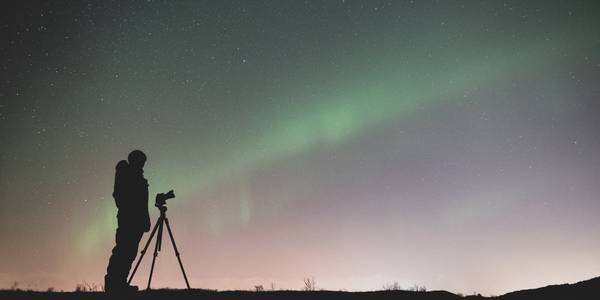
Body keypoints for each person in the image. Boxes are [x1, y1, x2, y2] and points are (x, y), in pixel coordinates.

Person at [104, 150, 150, 293]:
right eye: (141, 161)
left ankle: (120, 283)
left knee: (129, 252)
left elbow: (142, 202)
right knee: (123, 251)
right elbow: (121, 196)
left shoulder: (136, 175)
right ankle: (113, 284)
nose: (142, 164)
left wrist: (144, 219)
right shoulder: (127, 173)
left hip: (136, 220)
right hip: (129, 219)